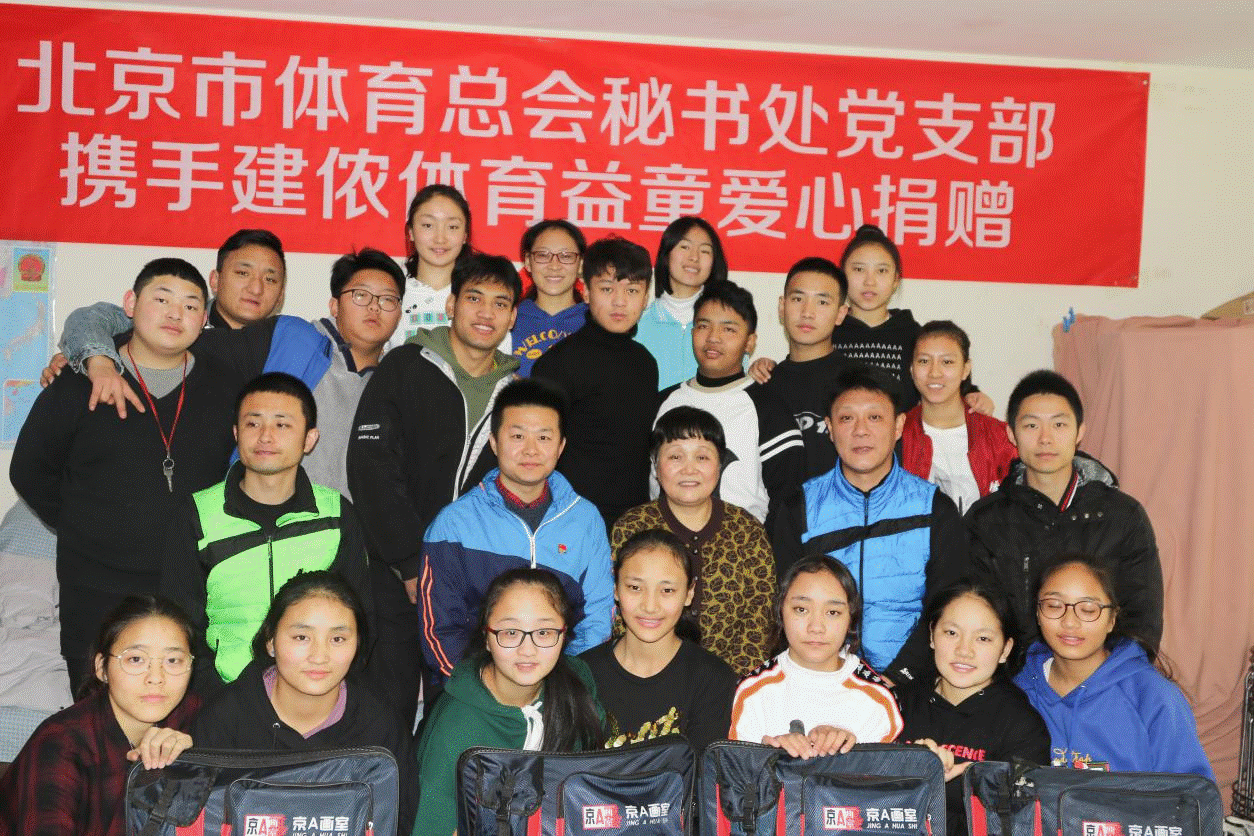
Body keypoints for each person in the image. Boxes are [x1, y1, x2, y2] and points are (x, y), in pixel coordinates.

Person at [11, 258, 241, 690]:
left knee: (179, 715)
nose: (175, 314)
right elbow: (30, 469)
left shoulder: (225, 387)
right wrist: (83, 524)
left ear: (203, 320)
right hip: (94, 586)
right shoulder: (81, 380)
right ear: (130, 305)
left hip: (186, 586)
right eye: (162, 299)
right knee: (96, 711)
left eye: (191, 305)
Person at [54, 247, 404, 497]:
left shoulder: (397, 381)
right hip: (247, 522)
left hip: (342, 538)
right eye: (360, 295)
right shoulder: (292, 339)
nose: (374, 307)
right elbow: (143, 331)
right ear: (334, 304)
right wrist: (96, 356)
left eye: (388, 299)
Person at [348, 251, 521, 722]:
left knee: (462, 712)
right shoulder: (405, 366)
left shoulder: (516, 392)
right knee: (389, 710)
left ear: (512, 317)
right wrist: (410, 562)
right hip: (393, 576)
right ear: (451, 305)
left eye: (500, 303)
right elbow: (371, 467)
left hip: (471, 582)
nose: (486, 313)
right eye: (474, 298)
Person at [161, 372, 372, 694]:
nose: (265, 437)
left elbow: (359, 617)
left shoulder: (336, 514)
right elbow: (177, 624)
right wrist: (214, 695)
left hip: (315, 693)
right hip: (222, 695)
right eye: (253, 423)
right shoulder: (197, 514)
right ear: (236, 433)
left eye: (282, 425)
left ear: (309, 439)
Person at [772, 366, 968, 685]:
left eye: (875, 417)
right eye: (847, 418)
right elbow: (787, 606)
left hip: (912, 685)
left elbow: (947, 608)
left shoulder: (934, 509)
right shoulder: (799, 509)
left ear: (899, 425)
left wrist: (898, 678)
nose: (861, 431)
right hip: (822, 680)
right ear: (829, 428)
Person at [418, 378, 613, 688]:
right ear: (494, 442)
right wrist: (487, 692)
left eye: (544, 437)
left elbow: (596, 618)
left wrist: (568, 687)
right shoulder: (453, 525)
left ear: (561, 446)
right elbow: (440, 630)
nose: (530, 450)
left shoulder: (585, 519)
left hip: (563, 687)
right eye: (518, 436)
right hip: (475, 691)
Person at [192, 571, 416, 833]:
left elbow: (399, 822)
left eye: (338, 639)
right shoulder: (224, 719)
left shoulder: (379, 724)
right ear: (271, 641)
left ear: (357, 645)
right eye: (301, 637)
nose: (319, 656)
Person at [966, 369, 1163, 652]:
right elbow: (977, 620)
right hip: (1016, 674)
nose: (1045, 438)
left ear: (1079, 432)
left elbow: (1141, 624)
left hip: (1103, 674)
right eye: (1031, 425)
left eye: (1059, 425)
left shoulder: (1123, 516)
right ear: (1011, 434)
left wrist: (1102, 674)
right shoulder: (986, 521)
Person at [414, 567, 605, 836]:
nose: (527, 650)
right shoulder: (455, 725)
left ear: (563, 635)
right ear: (487, 637)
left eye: (544, 632)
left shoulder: (578, 684)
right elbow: (432, 827)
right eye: (511, 632)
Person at [0, 596, 199, 836]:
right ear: (101, 667)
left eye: (173, 660)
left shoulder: (195, 716)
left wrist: (198, 757)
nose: (156, 677)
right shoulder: (60, 744)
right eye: (136, 659)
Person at [1014, 557, 1213, 779]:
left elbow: (1193, 792)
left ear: (1112, 619)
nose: (1069, 622)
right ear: (1037, 613)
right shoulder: (1017, 694)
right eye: (1053, 606)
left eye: (1088, 609)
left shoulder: (1153, 697)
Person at [613, 406, 776, 675]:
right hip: (646, 675)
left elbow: (759, 621)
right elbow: (620, 614)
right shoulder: (632, 526)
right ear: (655, 465)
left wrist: (726, 683)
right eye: (675, 456)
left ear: (720, 465)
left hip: (729, 681)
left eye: (702, 457)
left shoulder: (747, 531)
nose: (689, 469)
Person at [896, 581, 1049, 836]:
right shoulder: (894, 705)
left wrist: (979, 780)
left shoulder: (1023, 726)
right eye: (951, 633)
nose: (964, 650)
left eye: (983, 638)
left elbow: (1024, 821)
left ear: (1005, 649)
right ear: (932, 635)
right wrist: (906, 768)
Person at [531, 235, 658, 529]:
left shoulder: (645, 363)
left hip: (634, 523)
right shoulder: (556, 364)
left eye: (632, 290)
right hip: (569, 522)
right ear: (586, 292)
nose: (619, 301)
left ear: (645, 297)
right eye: (607, 288)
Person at [653, 280, 805, 526]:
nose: (713, 338)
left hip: (742, 547)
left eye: (729, 329)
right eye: (703, 326)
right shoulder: (662, 402)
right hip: (664, 546)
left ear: (750, 342)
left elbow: (788, 502)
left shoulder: (769, 407)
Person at [581, 529, 737, 751]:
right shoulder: (581, 675)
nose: (650, 606)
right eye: (635, 588)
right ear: (615, 588)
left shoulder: (713, 679)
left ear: (689, 593)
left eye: (667, 590)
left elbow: (704, 768)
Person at [729, 556, 902, 758]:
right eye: (801, 610)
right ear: (780, 611)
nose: (816, 627)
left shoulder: (878, 699)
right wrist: (770, 756)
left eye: (833, 612)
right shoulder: (751, 692)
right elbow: (734, 774)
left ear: (851, 618)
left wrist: (850, 754)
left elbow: (886, 777)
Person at [901, 320, 1017, 513]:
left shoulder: (1000, 437)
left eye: (947, 362)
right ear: (912, 369)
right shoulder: (896, 436)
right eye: (924, 361)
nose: (934, 373)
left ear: (965, 369)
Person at [756, 257, 854, 479]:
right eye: (798, 299)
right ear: (782, 307)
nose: (807, 312)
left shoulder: (860, 383)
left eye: (822, 302)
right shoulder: (763, 384)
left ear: (841, 314)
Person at [635, 216, 729, 389]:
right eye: (684, 247)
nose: (694, 257)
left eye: (705, 251)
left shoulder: (728, 326)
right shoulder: (637, 326)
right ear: (666, 255)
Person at [388, 183, 471, 349]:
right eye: (428, 225)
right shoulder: (390, 293)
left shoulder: (479, 296)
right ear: (411, 231)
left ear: (465, 235)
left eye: (452, 227)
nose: (440, 238)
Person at [509, 218, 588, 376]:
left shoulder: (595, 322)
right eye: (543, 255)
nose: (554, 265)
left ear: (580, 264)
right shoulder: (509, 319)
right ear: (528, 262)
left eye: (566, 256)